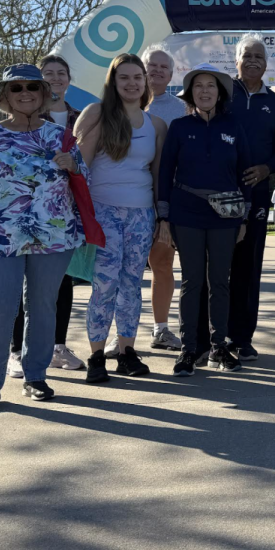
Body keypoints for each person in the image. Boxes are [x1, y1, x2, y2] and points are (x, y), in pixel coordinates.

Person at [0, 64, 85, 412]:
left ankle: (35, 376)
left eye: (33, 86)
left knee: (42, 307)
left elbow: (83, 177)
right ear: (5, 96)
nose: (25, 92)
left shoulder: (60, 135)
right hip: (1, 235)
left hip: (53, 236)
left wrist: (74, 164)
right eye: (16, 88)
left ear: (45, 93)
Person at [73, 54, 168, 382]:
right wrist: (81, 216)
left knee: (131, 284)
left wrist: (161, 219)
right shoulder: (97, 114)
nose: (132, 83)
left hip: (141, 215)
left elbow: (157, 177)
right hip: (103, 213)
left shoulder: (155, 124)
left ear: (146, 82)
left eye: (137, 77)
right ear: (113, 82)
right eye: (124, 77)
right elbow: (80, 169)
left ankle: (126, 351)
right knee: (104, 285)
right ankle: (96, 355)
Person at [157, 64, 253, 377]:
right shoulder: (180, 127)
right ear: (190, 92)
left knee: (220, 282)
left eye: (211, 85)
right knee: (192, 280)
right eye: (198, 85)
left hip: (226, 216)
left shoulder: (236, 126)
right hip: (187, 213)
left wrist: (244, 217)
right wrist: (164, 217)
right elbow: (164, 173)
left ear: (220, 92)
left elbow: (246, 173)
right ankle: (188, 349)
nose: (205, 90)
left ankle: (219, 347)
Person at [7, 53, 84, 377]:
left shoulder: (79, 118)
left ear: (68, 79)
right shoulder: (24, 118)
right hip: (25, 214)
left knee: (62, 281)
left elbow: (87, 163)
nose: (55, 78)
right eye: (48, 74)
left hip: (64, 214)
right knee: (25, 284)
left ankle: (57, 346)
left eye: (60, 73)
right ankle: (16, 350)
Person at [223, 34, 275, 361]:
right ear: (236, 60)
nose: (252, 61)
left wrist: (267, 169)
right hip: (220, 194)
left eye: (258, 57)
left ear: (266, 63)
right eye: (246, 55)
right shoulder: (222, 95)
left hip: (258, 195)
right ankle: (213, 336)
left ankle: (242, 338)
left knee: (249, 268)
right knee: (218, 267)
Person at [142, 45, 187, 353]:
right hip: (128, 196)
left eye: (163, 67)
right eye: (151, 66)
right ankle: (123, 334)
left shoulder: (181, 109)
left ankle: (161, 329)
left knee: (162, 262)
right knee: (126, 268)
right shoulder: (119, 107)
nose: (156, 71)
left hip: (166, 198)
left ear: (171, 75)